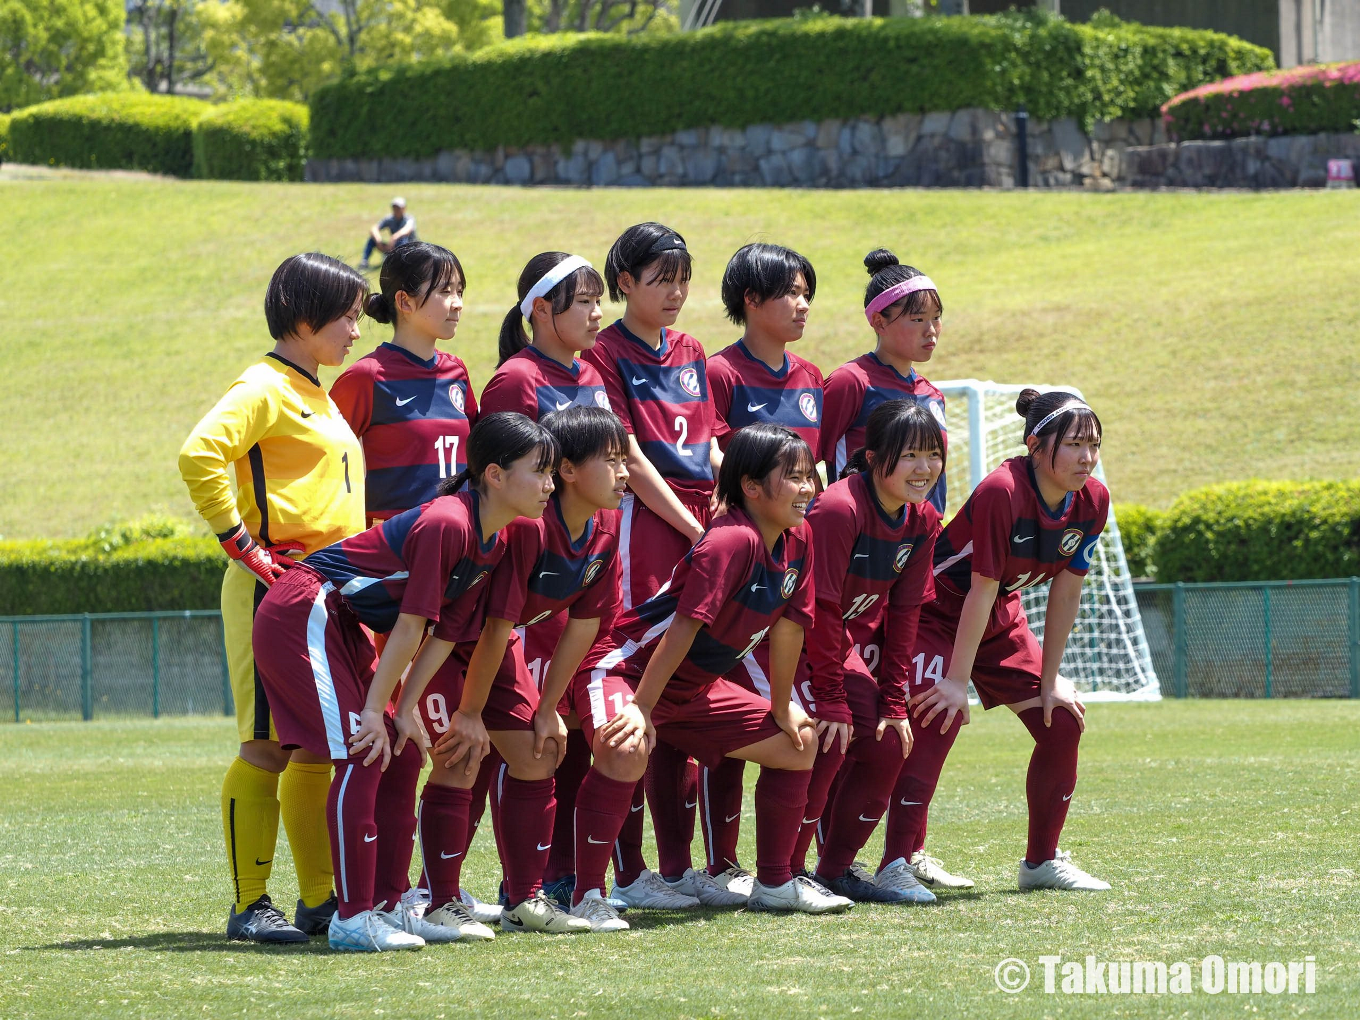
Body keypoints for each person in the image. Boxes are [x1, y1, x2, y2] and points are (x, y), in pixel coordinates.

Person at [251, 412, 559, 952]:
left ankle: (390, 908)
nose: (550, 485)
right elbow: (413, 623)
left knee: (404, 751)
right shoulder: (448, 522)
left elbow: (442, 635)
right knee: (365, 750)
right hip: (305, 606)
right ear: (493, 474)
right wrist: (376, 711)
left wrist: (403, 710)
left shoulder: (496, 539)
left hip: (343, 621)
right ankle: (352, 917)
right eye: (539, 471)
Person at [567, 424, 854, 916]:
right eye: (794, 478)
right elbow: (682, 630)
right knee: (625, 746)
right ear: (751, 486)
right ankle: (591, 895)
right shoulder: (730, 541)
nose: (808, 489)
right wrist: (641, 709)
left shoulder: (800, 539)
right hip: (624, 672)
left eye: (810, 477)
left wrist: (784, 706)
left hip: (693, 687)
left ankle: (775, 884)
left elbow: (789, 629)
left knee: (797, 742)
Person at [178, 252, 368, 944]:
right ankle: (250, 903)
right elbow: (199, 454)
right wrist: (244, 548)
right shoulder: (264, 383)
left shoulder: (315, 389)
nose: (356, 329)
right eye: (346, 315)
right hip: (276, 590)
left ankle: (319, 898)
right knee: (266, 746)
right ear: (303, 314)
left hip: (329, 590)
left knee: (316, 746)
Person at [404, 406, 632, 933]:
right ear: (568, 470)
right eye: (613, 460)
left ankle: (524, 902)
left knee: (541, 749)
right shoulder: (529, 526)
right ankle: (435, 899)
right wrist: (469, 713)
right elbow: (492, 627)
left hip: (490, 645)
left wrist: (549, 708)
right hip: (444, 643)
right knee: (460, 756)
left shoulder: (606, 524)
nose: (626, 473)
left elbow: (583, 625)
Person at [893, 389, 1111, 893]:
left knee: (1063, 722)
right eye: (1075, 444)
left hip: (999, 619)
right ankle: (897, 864)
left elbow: (1066, 592)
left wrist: (1051, 679)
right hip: (937, 610)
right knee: (938, 717)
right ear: (1036, 445)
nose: (1088, 457)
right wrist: (954, 681)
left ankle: (1041, 863)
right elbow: (978, 588)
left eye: (1094, 444)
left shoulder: (1093, 500)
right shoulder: (1002, 490)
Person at [583, 222, 717, 910]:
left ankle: (675, 868)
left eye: (682, 277)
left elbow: (711, 444)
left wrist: (725, 514)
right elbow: (629, 457)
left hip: (700, 524)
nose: (675, 291)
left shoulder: (692, 349)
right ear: (625, 283)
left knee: (682, 697)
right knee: (641, 688)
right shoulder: (606, 352)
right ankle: (629, 874)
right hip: (648, 527)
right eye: (660, 277)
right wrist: (698, 529)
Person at [696, 242, 824, 899]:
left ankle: (793, 862)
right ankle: (717, 866)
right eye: (788, 293)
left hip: (792, 571)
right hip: (731, 571)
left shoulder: (811, 378)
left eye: (807, 292)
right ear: (751, 301)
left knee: (797, 714)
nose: (802, 305)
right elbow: (718, 476)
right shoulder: (720, 373)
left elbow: (816, 478)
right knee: (717, 721)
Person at [795, 401, 941, 904]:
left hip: (840, 644)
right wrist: (832, 697)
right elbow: (820, 606)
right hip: (785, 638)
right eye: (911, 456)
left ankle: (834, 871)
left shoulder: (923, 520)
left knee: (886, 741)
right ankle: (785, 873)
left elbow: (905, 615)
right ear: (875, 458)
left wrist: (895, 705)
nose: (924, 469)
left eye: (933, 455)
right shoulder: (839, 508)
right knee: (831, 735)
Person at [331, 241, 477, 526]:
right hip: (393, 557)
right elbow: (327, 463)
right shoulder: (367, 377)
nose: (457, 302)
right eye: (445, 291)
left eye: (459, 291)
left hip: (460, 544)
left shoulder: (457, 371)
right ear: (404, 301)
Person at [819, 249, 947, 514]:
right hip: (858, 538)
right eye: (918, 319)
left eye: (936, 317)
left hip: (921, 544)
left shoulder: (933, 395)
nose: (931, 329)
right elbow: (805, 458)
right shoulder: (851, 381)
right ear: (879, 322)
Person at [480, 252, 611, 418]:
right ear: (541, 309)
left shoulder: (591, 374)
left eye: (597, 301)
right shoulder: (517, 379)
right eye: (584, 301)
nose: (597, 313)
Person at [360, 197, 418, 270]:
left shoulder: (409, 219)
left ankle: (400, 263)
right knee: (372, 239)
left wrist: (394, 237)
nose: (396, 210)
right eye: (394, 207)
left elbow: (407, 230)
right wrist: (378, 240)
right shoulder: (389, 219)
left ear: (404, 208)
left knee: (402, 239)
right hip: (393, 246)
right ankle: (364, 262)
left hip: (409, 248)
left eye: (398, 208)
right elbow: (374, 229)